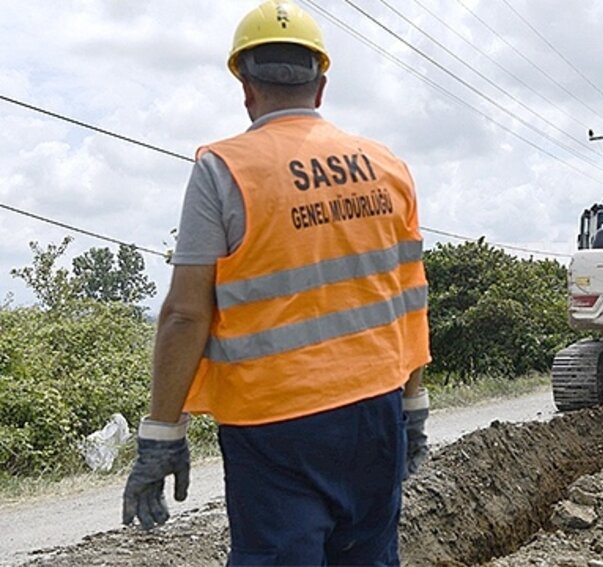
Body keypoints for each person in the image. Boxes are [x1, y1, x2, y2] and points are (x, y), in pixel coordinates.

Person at [121, 1, 431, 564]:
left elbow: (186, 314)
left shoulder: (223, 170)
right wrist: (414, 404)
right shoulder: (388, 166)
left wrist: (162, 432)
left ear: (245, 85)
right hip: (375, 410)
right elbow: (410, 297)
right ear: (322, 84)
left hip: (274, 425)